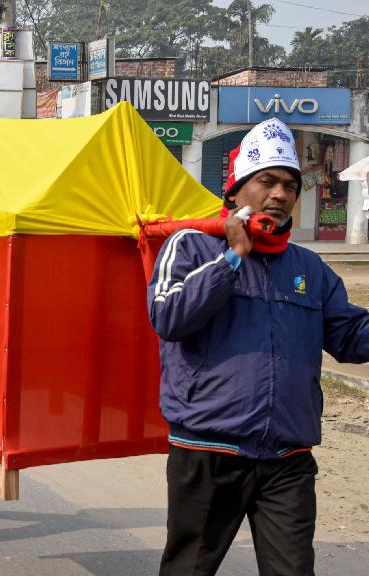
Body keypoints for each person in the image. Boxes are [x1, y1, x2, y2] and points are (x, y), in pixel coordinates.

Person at [148, 117, 369, 576]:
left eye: (290, 185)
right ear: (235, 190)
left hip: (287, 459)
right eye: (266, 181)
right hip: (208, 450)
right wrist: (232, 257)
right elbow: (169, 318)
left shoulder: (311, 268)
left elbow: (349, 338)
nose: (281, 194)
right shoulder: (190, 246)